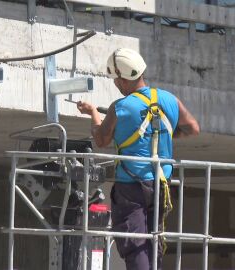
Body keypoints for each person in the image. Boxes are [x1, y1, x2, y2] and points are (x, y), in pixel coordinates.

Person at [77, 48, 200, 270]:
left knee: (135, 243)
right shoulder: (169, 99)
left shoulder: (120, 107)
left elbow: (101, 139)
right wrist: (166, 133)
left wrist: (93, 112)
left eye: (117, 80)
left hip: (130, 187)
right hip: (161, 185)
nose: (116, 84)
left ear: (124, 79)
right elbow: (193, 128)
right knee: (154, 240)